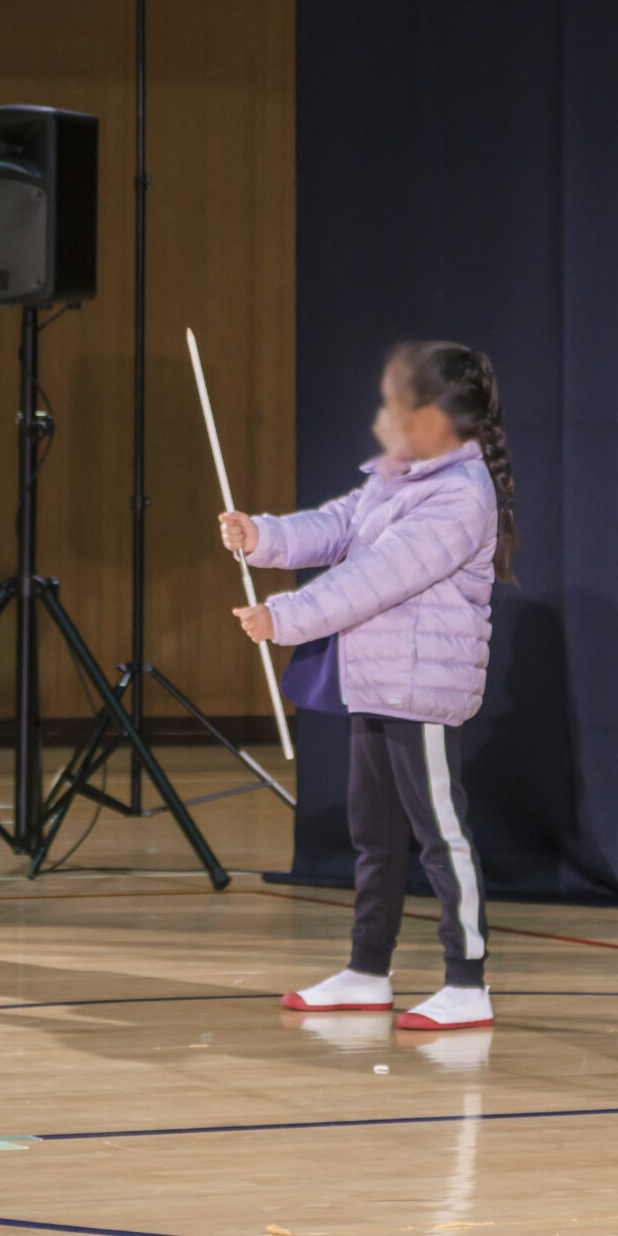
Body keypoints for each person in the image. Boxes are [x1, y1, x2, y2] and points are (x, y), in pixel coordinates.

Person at [223, 341, 514, 1031]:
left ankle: (468, 980)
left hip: (423, 689)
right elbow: (336, 528)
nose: (389, 416)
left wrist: (284, 617)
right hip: (377, 683)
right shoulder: (396, 475)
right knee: (374, 836)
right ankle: (366, 968)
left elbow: (374, 577)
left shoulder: (460, 496)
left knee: (441, 834)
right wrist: (259, 536)